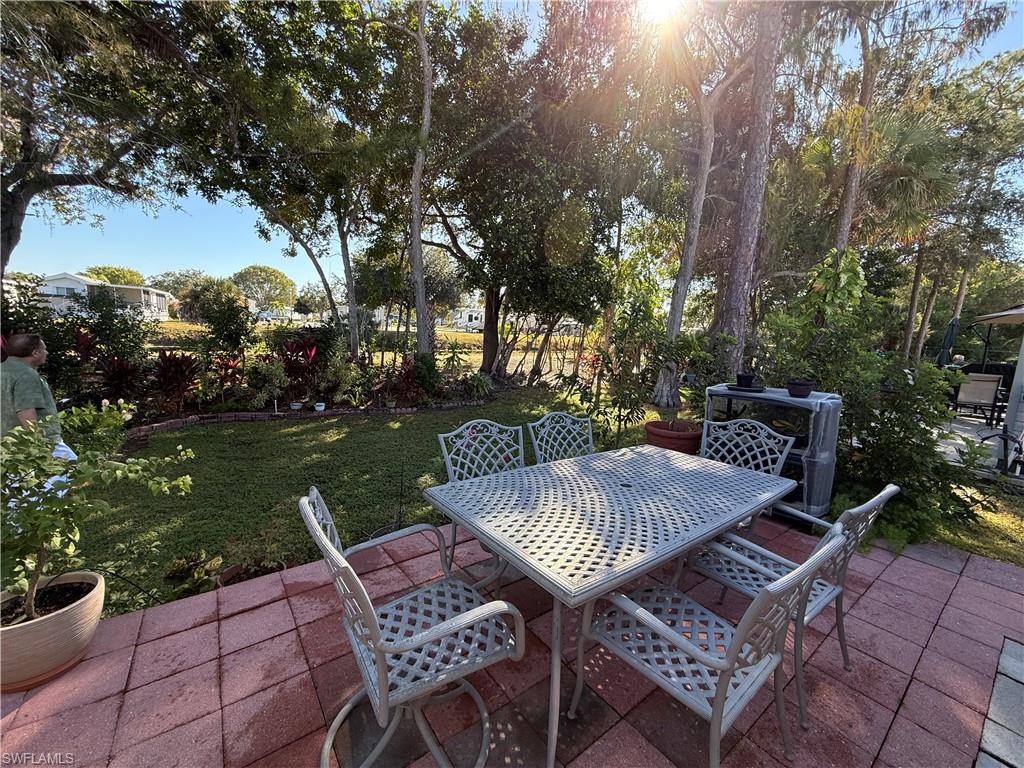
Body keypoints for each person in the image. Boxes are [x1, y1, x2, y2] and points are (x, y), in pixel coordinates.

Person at [1, 333, 77, 459]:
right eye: (44, 349)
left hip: (7, 447)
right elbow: (26, 411)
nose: (46, 352)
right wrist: (39, 447)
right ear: (35, 353)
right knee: (78, 475)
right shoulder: (26, 375)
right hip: (40, 445)